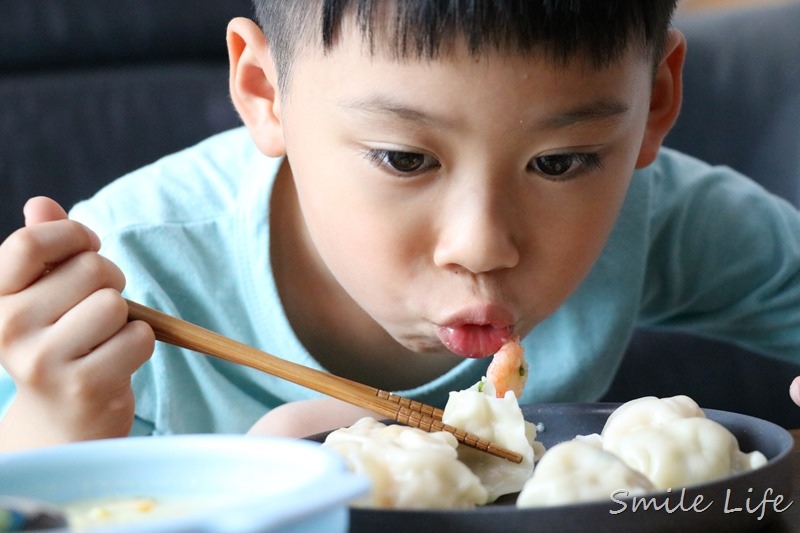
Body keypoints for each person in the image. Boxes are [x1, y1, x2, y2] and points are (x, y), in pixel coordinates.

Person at [1, 0, 800, 452]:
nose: (483, 245)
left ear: (656, 103)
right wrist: (59, 426)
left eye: (561, 163)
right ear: (264, 92)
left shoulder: (648, 214)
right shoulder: (131, 275)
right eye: (404, 159)